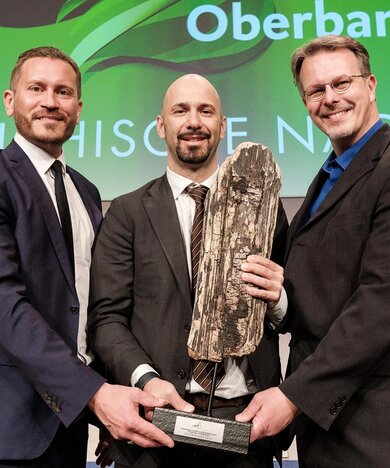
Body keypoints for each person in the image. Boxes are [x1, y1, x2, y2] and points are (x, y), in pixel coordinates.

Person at [88, 73, 289, 468]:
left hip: (246, 424)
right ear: (161, 126)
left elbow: (290, 314)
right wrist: (147, 380)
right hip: (156, 423)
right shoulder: (126, 213)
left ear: (223, 125)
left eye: (206, 111)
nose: (193, 121)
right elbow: (106, 319)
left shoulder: (266, 207)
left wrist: (279, 298)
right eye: (180, 110)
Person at [0, 46, 174, 468]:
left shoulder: (87, 191)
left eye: (63, 93)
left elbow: (94, 307)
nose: (49, 102)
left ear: (78, 109)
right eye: (36, 88)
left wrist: (111, 403)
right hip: (12, 427)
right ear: (10, 101)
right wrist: (95, 396)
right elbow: (6, 305)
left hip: (72, 424)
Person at [236, 35, 390, 467]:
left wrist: (295, 395)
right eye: (315, 91)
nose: (330, 99)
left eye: (342, 83)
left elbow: (381, 301)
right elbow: (318, 291)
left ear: (371, 85)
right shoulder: (327, 175)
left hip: (373, 420)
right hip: (327, 425)